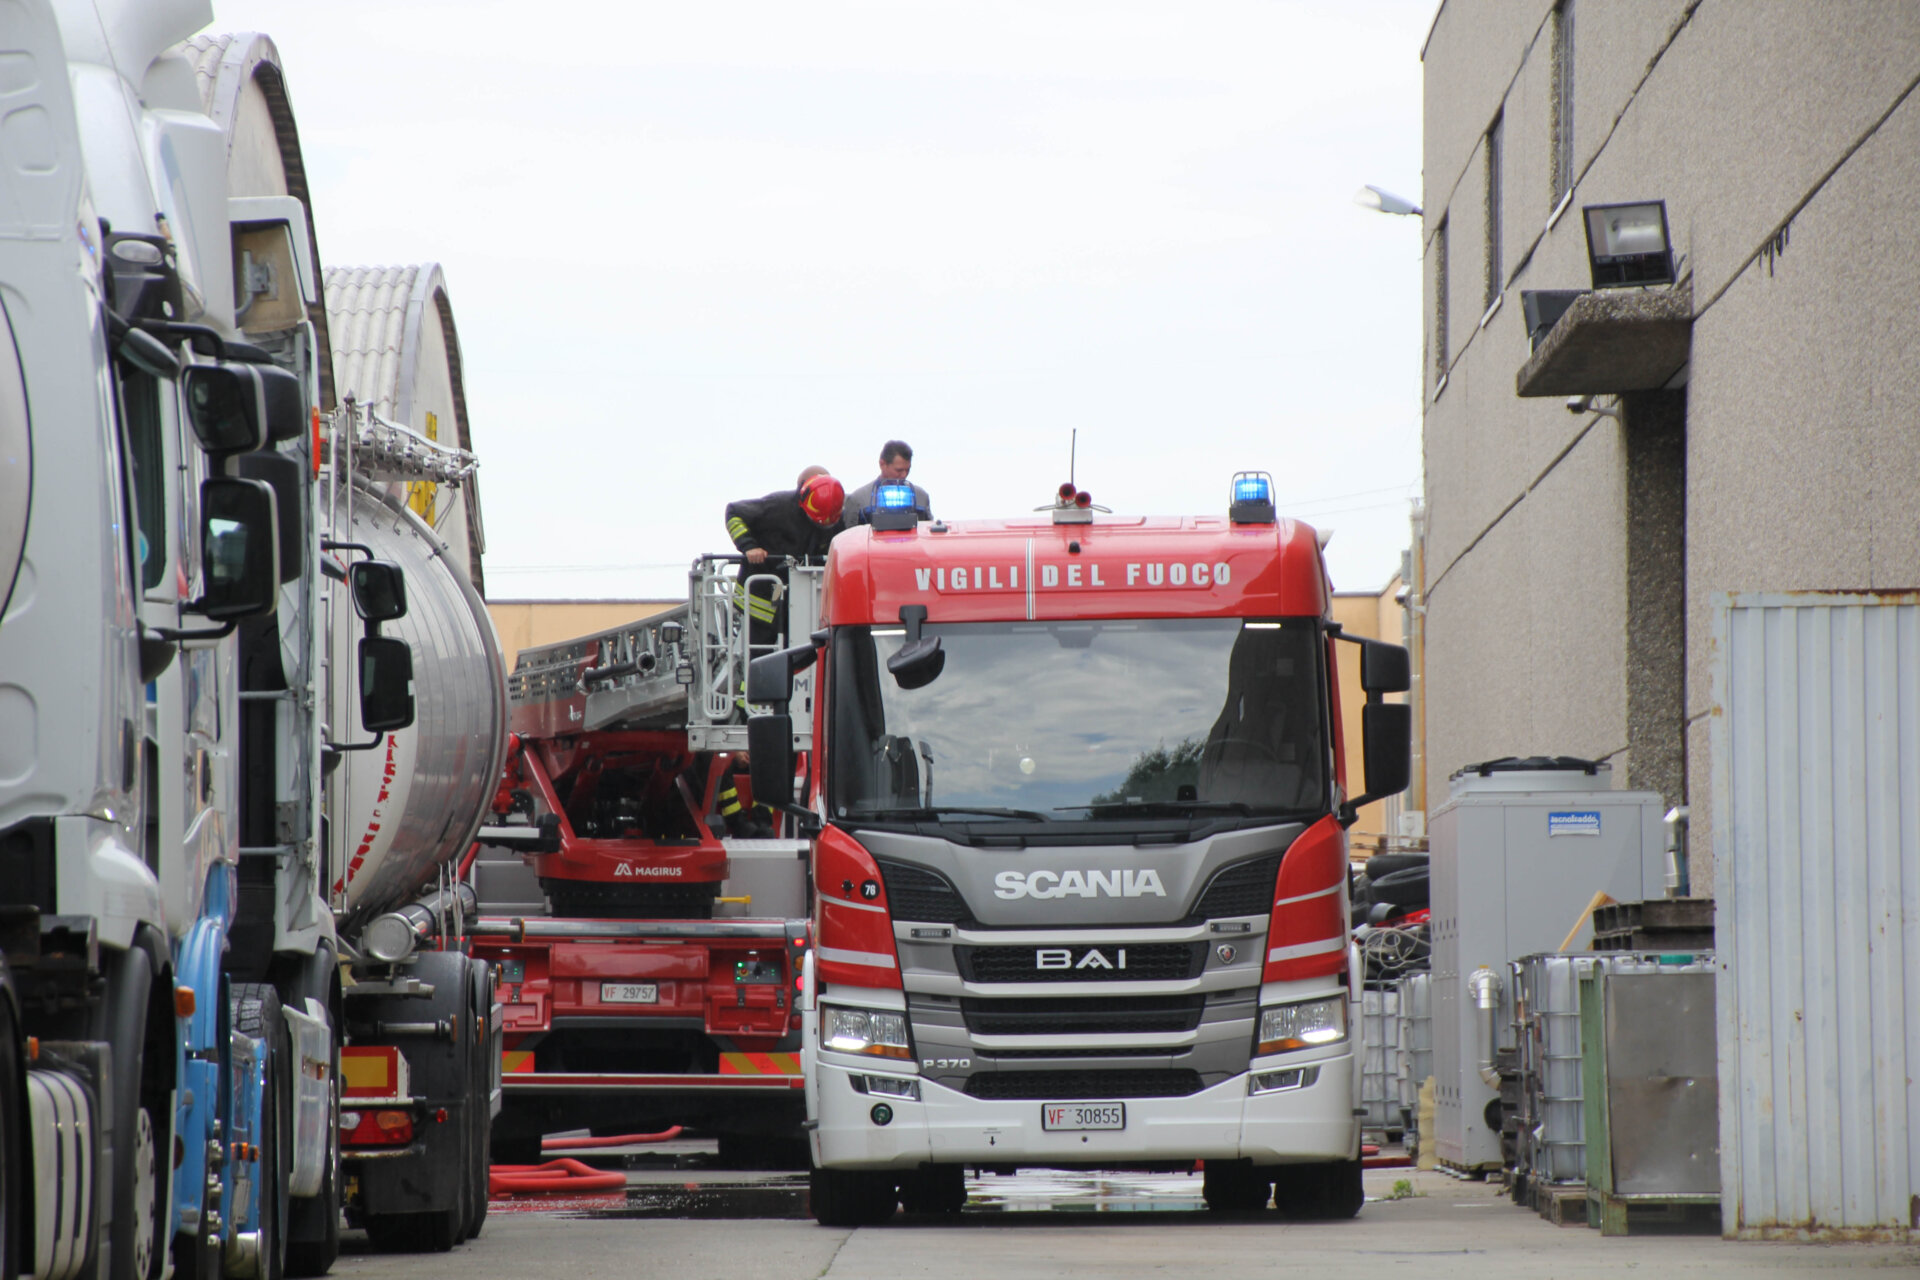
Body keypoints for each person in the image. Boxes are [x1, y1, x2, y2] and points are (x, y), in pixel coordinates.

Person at [724, 473, 844, 647]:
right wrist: (749, 546)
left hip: (806, 602)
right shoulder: (777, 506)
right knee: (760, 655)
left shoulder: (834, 516)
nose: (822, 525)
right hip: (763, 596)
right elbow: (734, 513)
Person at [841, 440, 931, 529]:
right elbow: (849, 537)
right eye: (899, 470)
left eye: (907, 470)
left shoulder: (921, 497)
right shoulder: (858, 500)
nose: (904, 475)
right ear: (882, 464)